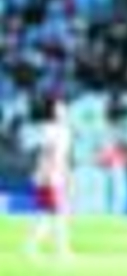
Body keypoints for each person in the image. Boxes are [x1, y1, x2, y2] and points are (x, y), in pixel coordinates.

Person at [24, 97, 74, 261]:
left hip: (56, 177)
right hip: (50, 178)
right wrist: (47, 176)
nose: (63, 111)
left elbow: (63, 158)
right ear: (54, 112)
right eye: (60, 108)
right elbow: (47, 154)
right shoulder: (52, 130)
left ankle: (33, 247)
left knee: (50, 215)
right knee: (56, 215)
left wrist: (66, 176)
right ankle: (60, 250)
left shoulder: (64, 130)